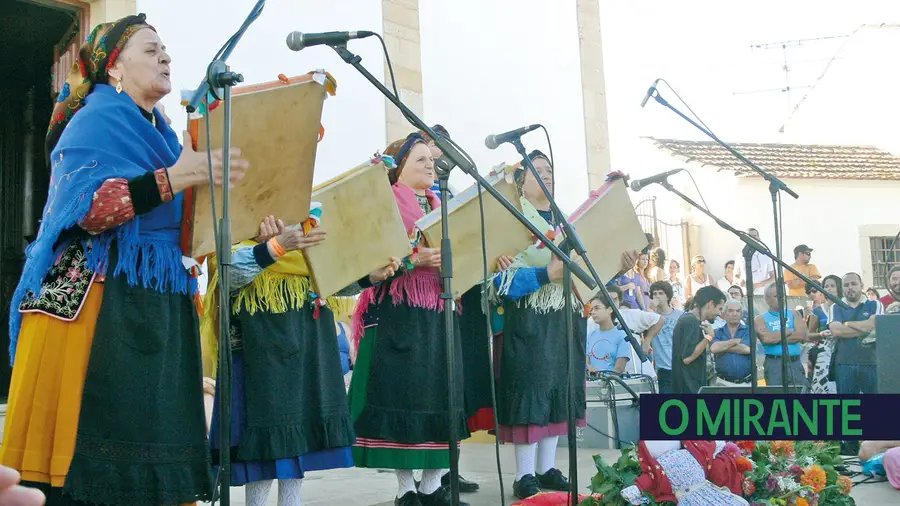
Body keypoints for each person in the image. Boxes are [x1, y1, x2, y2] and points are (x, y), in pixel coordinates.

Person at [0, 14, 250, 505]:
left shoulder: (166, 134)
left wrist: (259, 233)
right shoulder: (96, 118)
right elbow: (89, 209)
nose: (166, 56)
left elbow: (186, 227)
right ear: (114, 67)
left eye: (166, 49)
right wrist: (174, 179)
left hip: (154, 301)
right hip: (95, 301)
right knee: (93, 455)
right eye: (151, 48)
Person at [201, 213, 400, 506]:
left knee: (298, 441)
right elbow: (227, 276)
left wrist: (369, 277)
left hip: (307, 337)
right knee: (263, 444)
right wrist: (276, 247)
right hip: (260, 346)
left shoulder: (307, 220)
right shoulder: (236, 215)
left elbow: (328, 279)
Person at [348, 134, 469, 506]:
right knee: (404, 397)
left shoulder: (444, 205)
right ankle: (405, 489)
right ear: (399, 168)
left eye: (431, 162)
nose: (430, 166)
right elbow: (368, 257)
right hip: (400, 311)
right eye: (420, 161)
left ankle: (432, 485)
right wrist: (413, 260)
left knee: (441, 396)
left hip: (440, 311)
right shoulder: (384, 204)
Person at [488, 151, 585, 500]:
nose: (546, 175)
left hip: (564, 313)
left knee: (559, 388)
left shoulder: (567, 222)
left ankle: (547, 467)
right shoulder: (509, 220)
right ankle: (524, 474)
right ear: (520, 181)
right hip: (528, 317)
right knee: (530, 391)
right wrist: (544, 273)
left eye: (550, 170)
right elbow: (496, 282)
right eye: (537, 170)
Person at [829, 272, 883, 394]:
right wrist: (864, 329)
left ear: (861, 285)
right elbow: (836, 331)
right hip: (844, 363)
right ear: (842, 288)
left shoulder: (875, 304)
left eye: (854, 283)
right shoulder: (835, 307)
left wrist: (847, 324)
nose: (850, 287)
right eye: (846, 285)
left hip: (871, 362)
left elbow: (872, 326)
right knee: (847, 409)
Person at [672, 286, 726, 394]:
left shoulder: (691, 320)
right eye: (719, 308)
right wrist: (709, 337)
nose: (720, 314)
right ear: (711, 304)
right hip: (688, 388)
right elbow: (687, 358)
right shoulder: (690, 321)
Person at [755, 283, 809, 391]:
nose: (781, 298)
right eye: (776, 296)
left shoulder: (794, 314)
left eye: (782, 295)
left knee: (800, 394)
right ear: (767, 299)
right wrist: (788, 331)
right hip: (774, 364)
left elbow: (802, 336)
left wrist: (776, 337)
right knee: (776, 396)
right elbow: (767, 339)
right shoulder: (759, 319)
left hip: (794, 363)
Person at [807, 274, 842, 394]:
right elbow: (808, 335)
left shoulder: (844, 307)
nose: (829, 289)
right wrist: (821, 334)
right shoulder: (817, 311)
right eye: (826, 286)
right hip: (824, 354)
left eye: (833, 286)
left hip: (842, 351)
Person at [647, 281, 684, 393]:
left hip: (679, 366)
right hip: (662, 368)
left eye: (661, 293)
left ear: (668, 296)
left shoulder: (680, 315)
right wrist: (651, 310)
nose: (657, 296)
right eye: (655, 294)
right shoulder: (650, 315)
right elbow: (645, 332)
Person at [711, 300, 753, 386]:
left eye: (738, 311)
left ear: (741, 314)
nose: (735, 314)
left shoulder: (748, 330)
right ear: (724, 314)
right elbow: (714, 348)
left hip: (746, 383)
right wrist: (734, 341)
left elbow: (746, 349)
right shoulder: (718, 332)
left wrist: (723, 347)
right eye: (731, 311)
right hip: (723, 382)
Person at [586, 296, 631, 373]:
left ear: (609, 309)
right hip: (592, 382)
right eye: (591, 309)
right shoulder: (590, 336)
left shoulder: (622, 336)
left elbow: (619, 368)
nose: (592, 312)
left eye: (597, 308)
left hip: (612, 382)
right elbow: (586, 362)